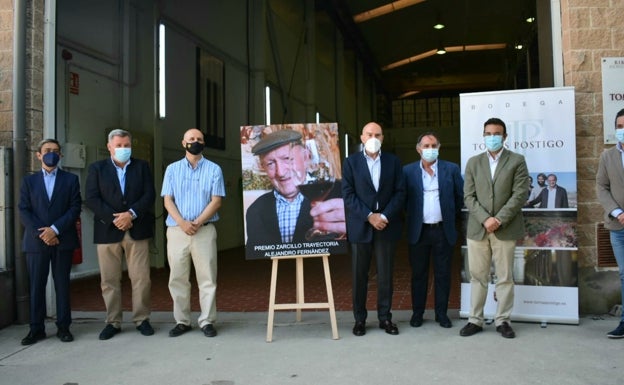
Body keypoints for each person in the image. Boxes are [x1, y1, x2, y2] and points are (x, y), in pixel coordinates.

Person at [461, 117, 528, 339]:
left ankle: (503, 320)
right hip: (478, 229)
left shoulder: (517, 161)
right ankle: (475, 320)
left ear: (505, 136)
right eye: (488, 133)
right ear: (483, 136)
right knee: (477, 276)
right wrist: (485, 219)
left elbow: (520, 194)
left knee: (505, 276)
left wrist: (497, 220)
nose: (492, 137)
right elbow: (468, 196)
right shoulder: (473, 162)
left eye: (496, 133)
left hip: (505, 228)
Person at [85, 129, 156, 340]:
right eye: (119, 145)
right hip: (108, 231)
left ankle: (142, 319)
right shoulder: (97, 168)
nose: (123, 149)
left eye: (127, 145)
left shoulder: (142, 167)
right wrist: (116, 218)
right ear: (109, 146)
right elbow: (91, 198)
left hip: (137, 229)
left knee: (141, 278)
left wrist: (131, 214)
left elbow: (149, 194)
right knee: (109, 280)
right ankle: (113, 321)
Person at [342, 122, 405, 336]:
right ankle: (360, 320)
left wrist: (384, 216)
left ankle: (385, 318)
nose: (373, 137)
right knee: (359, 276)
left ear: (383, 137)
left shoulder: (393, 162)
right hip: (361, 226)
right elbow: (348, 194)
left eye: (377, 134)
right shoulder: (351, 163)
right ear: (361, 137)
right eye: (369, 134)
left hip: (386, 226)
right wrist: (370, 216)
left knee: (386, 275)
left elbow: (400, 192)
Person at [161, 128, 225, 338]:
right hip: (177, 231)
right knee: (177, 278)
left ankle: (207, 321)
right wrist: (182, 222)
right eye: (191, 139)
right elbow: (167, 199)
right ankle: (182, 321)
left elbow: (216, 201)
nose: (195, 142)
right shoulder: (172, 169)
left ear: (204, 143)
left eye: (199, 139)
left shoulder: (214, 169)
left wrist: (196, 222)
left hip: (204, 231)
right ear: (183, 143)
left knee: (207, 278)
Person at [18, 139, 81, 345]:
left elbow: (74, 208)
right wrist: (43, 234)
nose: (51, 154)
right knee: (36, 285)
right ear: (38, 155)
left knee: (62, 285)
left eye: (55, 151)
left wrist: (54, 230)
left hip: (62, 240)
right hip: (36, 243)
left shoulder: (71, 180)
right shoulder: (29, 181)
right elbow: (24, 209)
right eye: (47, 151)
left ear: (60, 155)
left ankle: (64, 327)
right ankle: (36, 329)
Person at [245, 129, 345, 251]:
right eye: (270, 163)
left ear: (306, 157)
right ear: (263, 167)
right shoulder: (255, 211)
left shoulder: (340, 195)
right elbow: (256, 256)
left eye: (287, 158)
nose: (280, 172)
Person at [403, 132, 463, 329]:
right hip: (418, 231)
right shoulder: (407, 171)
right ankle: (417, 313)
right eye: (426, 146)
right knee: (418, 274)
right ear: (418, 149)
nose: (430, 149)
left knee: (443, 274)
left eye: (433, 146)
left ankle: (441, 314)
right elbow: (402, 200)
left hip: (442, 231)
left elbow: (459, 198)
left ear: (439, 148)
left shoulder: (451, 169)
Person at [596, 107, 624, 338]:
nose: (622, 131)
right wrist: (617, 212)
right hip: (619, 226)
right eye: (620, 127)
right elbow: (601, 187)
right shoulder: (608, 156)